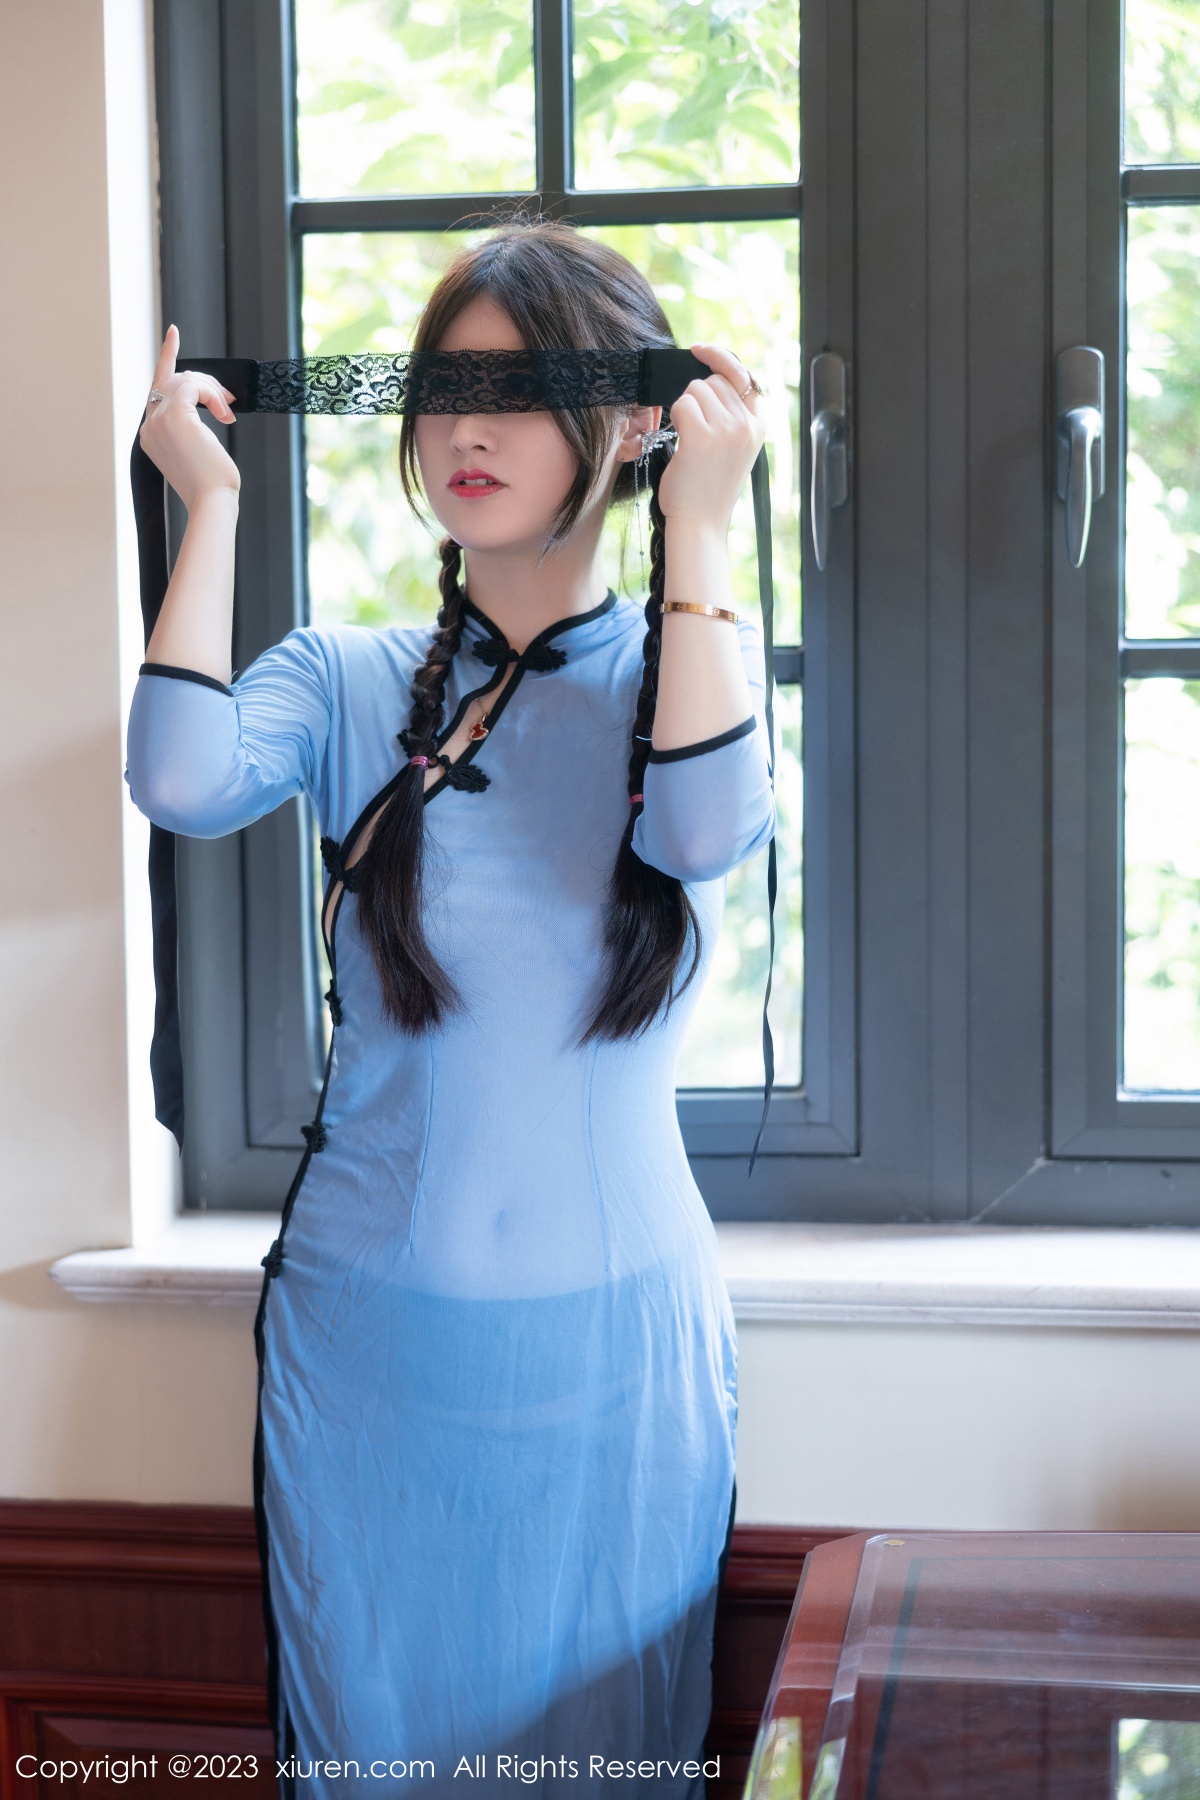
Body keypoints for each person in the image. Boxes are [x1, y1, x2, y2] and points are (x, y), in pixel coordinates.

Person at [127, 221, 773, 1799]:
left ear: (631, 423)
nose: (466, 433)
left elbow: (701, 833)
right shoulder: (342, 675)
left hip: (617, 1360)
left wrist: (699, 525)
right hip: (369, 1359)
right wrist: (207, 504)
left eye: (522, 393)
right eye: (442, 393)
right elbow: (179, 777)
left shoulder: (699, 685)